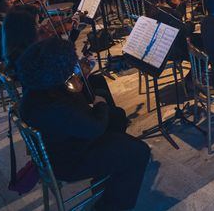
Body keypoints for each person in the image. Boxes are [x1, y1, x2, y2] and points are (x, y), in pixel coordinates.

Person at [18, 37, 150, 211]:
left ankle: (107, 173)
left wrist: (82, 84)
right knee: (139, 152)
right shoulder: (55, 105)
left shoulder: (37, 89)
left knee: (116, 117)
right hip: (69, 160)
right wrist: (100, 104)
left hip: (60, 146)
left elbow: (76, 114)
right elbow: (94, 128)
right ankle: (111, 206)